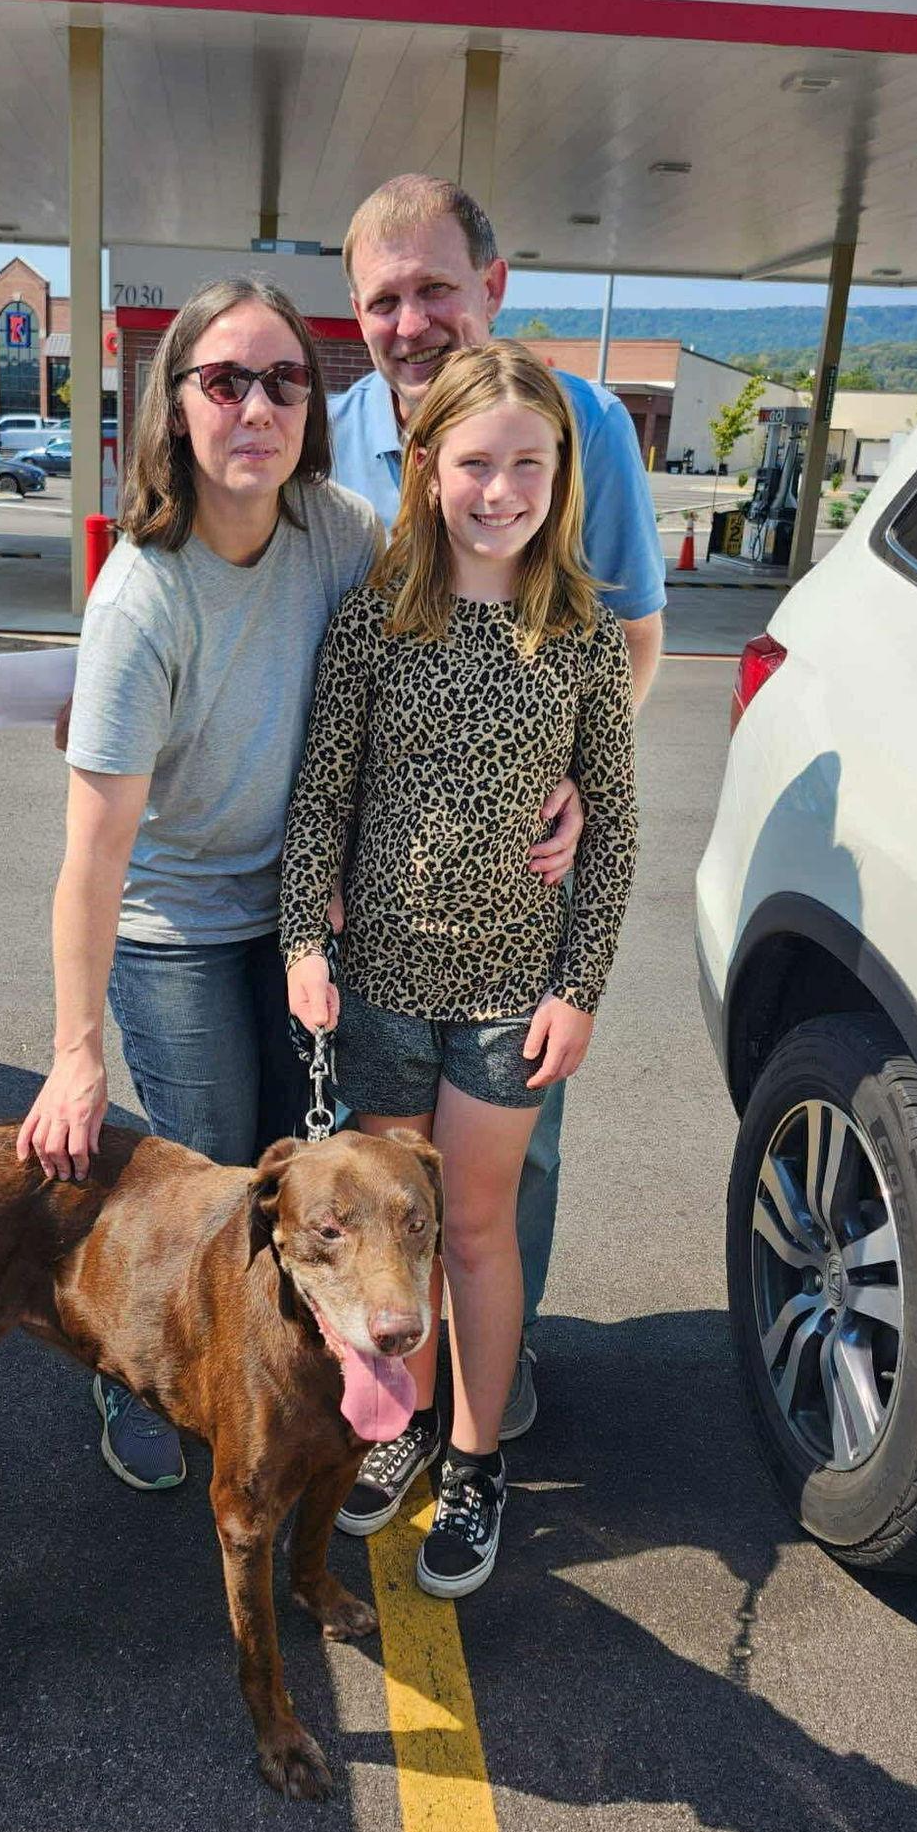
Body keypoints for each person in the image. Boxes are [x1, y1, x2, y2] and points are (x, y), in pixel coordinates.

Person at [20, 276, 584, 1493]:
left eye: (283, 379)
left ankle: (303, 1382)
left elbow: (444, 654)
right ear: (176, 408)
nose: (256, 405)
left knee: (311, 1190)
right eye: (224, 380)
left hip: (304, 922)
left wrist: (567, 772)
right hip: (175, 926)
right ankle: (136, 1374)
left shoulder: (334, 530)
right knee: (207, 1178)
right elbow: (92, 858)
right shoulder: (142, 598)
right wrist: (75, 1051)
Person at [282, 342, 638, 1598]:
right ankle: (409, 1429)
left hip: (506, 998)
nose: (499, 490)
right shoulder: (376, 619)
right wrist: (304, 944)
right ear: (427, 468)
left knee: (477, 1228)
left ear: (559, 474)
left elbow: (613, 828)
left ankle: (475, 1458)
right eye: (474, 463)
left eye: (526, 464)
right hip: (380, 985)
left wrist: (578, 987)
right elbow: (322, 796)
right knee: (400, 1241)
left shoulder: (583, 636)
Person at [327, 174, 665, 1440]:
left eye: (435, 291)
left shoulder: (580, 429)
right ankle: (391, 1393)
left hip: (512, 920)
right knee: (370, 1170)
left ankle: (485, 1380)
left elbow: (630, 630)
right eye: (382, 299)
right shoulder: (332, 436)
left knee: (505, 1172)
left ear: (493, 288)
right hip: (372, 913)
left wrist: (577, 768)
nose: (410, 322)